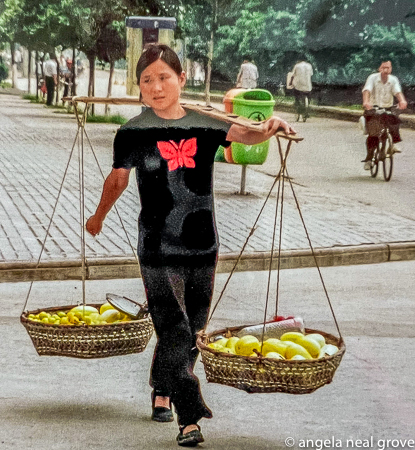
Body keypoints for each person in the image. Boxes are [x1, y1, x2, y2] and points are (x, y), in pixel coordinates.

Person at [85, 44, 295, 447]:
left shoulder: (205, 122)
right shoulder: (132, 131)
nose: (156, 86)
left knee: (192, 328)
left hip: (202, 243)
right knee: (175, 325)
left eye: (164, 77)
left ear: (182, 79)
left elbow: (244, 134)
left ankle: (162, 388)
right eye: (147, 80)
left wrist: (271, 125)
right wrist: (98, 217)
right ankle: (189, 417)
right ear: (140, 87)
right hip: (157, 246)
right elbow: (117, 180)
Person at [361, 60, 407, 170]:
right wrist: (366, 102)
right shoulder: (373, 78)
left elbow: (397, 92)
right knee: (373, 134)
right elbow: (367, 90)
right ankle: (369, 158)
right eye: (383, 67)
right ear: (379, 68)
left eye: (388, 67)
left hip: (387, 107)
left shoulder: (393, 80)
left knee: (394, 120)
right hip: (373, 108)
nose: (386, 70)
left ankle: (393, 144)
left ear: (391, 69)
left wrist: (402, 101)